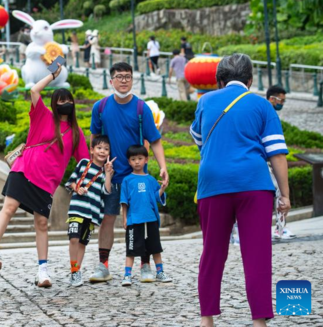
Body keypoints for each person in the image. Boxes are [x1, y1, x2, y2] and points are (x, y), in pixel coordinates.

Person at [190, 54, 291, 327]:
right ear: (250, 79)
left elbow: (198, 138)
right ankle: (259, 321)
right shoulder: (262, 105)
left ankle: (206, 319)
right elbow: (277, 154)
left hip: (213, 184)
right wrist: (285, 195)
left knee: (212, 252)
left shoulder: (205, 101)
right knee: (257, 254)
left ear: (219, 80)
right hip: (254, 185)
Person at [0, 64, 89, 288]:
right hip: (24, 169)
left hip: (47, 183)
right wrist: (52, 75)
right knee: (9, 208)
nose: (63, 104)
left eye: (67, 101)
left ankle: (42, 271)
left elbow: (84, 162)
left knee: (41, 223)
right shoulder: (43, 116)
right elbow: (34, 91)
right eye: (59, 101)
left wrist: (83, 182)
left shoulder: (76, 133)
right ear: (53, 104)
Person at [89, 62, 169, 284]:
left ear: (132, 79)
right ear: (111, 80)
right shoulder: (101, 107)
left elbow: (155, 140)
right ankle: (103, 266)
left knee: (142, 220)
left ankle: (145, 266)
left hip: (137, 177)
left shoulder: (141, 108)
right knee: (107, 219)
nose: (124, 80)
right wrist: (95, 166)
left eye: (128, 76)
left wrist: (163, 166)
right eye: (119, 76)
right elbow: (95, 139)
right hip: (110, 176)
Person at [64, 135, 115, 287]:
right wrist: (76, 188)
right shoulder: (84, 163)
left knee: (82, 243)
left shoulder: (105, 171)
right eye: (99, 148)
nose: (102, 151)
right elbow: (70, 182)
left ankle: (77, 270)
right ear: (92, 150)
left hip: (92, 213)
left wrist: (108, 174)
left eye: (106, 149)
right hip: (76, 209)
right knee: (73, 238)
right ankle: (74, 271)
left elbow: (106, 191)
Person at [120, 145, 172, 286]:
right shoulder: (127, 180)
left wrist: (162, 188)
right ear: (129, 161)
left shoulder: (151, 180)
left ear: (146, 160)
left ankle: (160, 272)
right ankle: (127, 275)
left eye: (140, 158)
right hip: (134, 220)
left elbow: (156, 197)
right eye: (133, 159)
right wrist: (124, 219)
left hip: (151, 219)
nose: (137, 161)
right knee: (131, 250)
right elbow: (124, 202)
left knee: (155, 248)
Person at [265, 85, 295, 240]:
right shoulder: (269, 114)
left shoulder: (263, 112)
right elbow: (276, 151)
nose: (282, 103)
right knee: (280, 194)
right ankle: (280, 229)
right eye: (281, 100)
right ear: (272, 99)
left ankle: (280, 228)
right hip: (268, 163)